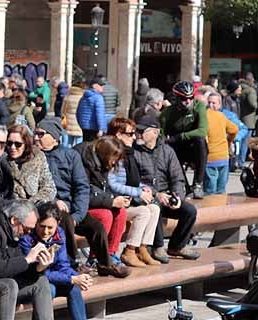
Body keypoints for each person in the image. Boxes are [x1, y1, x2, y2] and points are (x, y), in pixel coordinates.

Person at [36, 118, 128, 277]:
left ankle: (104, 264)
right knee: (65, 220)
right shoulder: (34, 156)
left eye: (41, 134)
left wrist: (78, 215)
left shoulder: (70, 155)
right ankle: (72, 264)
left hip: (71, 206)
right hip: (48, 207)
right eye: (35, 133)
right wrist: (54, 201)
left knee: (96, 227)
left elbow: (82, 187)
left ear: (55, 137)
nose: (36, 137)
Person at [20, 203, 96, 320]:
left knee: (74, 289)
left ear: (58, 224)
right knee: (48, 289)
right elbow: (38, 272)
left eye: (50, 227)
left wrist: (79, 277)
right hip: (31, 281)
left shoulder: (59, 234)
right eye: (42, 226)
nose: (45, 231)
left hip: (53, 278)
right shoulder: (27, 238)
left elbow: (63, 265)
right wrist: (71, 279)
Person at [131, 112, 200, 261]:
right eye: (137, 131)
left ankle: (177, 246)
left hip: (166, 195)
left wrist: (177, 197)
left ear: (155, 132)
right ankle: (157, 247)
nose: (138, 134)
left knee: (190, 211)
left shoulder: (167, 151)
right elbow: (134, 181)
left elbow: (177, 178)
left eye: (142, 131)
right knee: (154, 207)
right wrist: (156, 194)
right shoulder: (133, 153)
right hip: (145, 196)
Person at [90, 134, 162, 268]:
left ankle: (142, 248)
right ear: (118, 134)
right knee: (143, 212)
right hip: (111, 201)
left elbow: (131, 181)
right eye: (129, 133)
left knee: (154, 209)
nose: (133, 137)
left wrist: (142, 188)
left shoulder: (127, 155)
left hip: (123, 200)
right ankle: (129, 250)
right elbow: (112, 185)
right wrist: (137, 193)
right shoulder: (109, 158)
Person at [159, 80, 208, 198]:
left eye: (191, 98)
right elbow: (161, 135)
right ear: (176, 98)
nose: (188, 101)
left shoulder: (199, 106)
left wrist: (179, 136)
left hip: (193, 146)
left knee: (201, 140)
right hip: (177, 147)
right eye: (184, 98)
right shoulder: (167, 113)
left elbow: (202, 131)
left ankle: (198, 184)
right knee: (168, 148)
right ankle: (184, 186)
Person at [6, 124, 55, 205]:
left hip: (35, 206)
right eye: (9, 143)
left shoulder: (38, 158)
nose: (12, 147)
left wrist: (30, 204)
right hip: (10, 206)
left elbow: (49, 188)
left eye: (18, 144)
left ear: (26, 144)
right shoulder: (3, 160)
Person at [204, 91, 239, 195]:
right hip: (223, 157)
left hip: (210, 158)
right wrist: (229, 141)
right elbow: (234, 130)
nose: (211, 105)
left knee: (210, 192)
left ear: (219, 104)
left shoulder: (204, 116)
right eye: (209, 102)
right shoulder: (222, 116)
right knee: (221, 190)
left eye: (213, 103)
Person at [76, 76, 108, 141]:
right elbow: (100, 114)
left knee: (85, 144)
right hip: (95, 128)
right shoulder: (98, 98)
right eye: (101, 85)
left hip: (84, 127)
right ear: (95, 86)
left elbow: (78, 112)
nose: (102, 87)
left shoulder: (83, 97)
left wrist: (81, 124)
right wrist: (101, 129)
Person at [60, 80, 84, 148]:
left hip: (69, 122)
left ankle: (67, 153)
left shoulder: (67, 96)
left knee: (68, 142)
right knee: (79, 141)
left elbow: (63, 111)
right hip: (79, 122)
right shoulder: (82, 97)